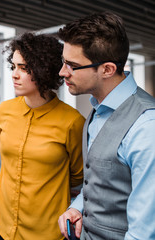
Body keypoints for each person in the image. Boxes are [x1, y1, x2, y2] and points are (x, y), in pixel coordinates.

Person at [57, 12, 155, 240]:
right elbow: (99, 180)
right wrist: (77, 207)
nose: (63, 72)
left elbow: (143, 232)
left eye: (72, 65)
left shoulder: (146, 127)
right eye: (64, 62)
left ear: (107, 69)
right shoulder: (97, 109)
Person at [0, 32, 85, 240]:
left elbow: (78, 175)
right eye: (13, 66)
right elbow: (8, 160)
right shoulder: (4, 111)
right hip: (2, 223)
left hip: (46, 231)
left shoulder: (72, 122)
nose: (14, 74)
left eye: (24, 68)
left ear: (45, 69)